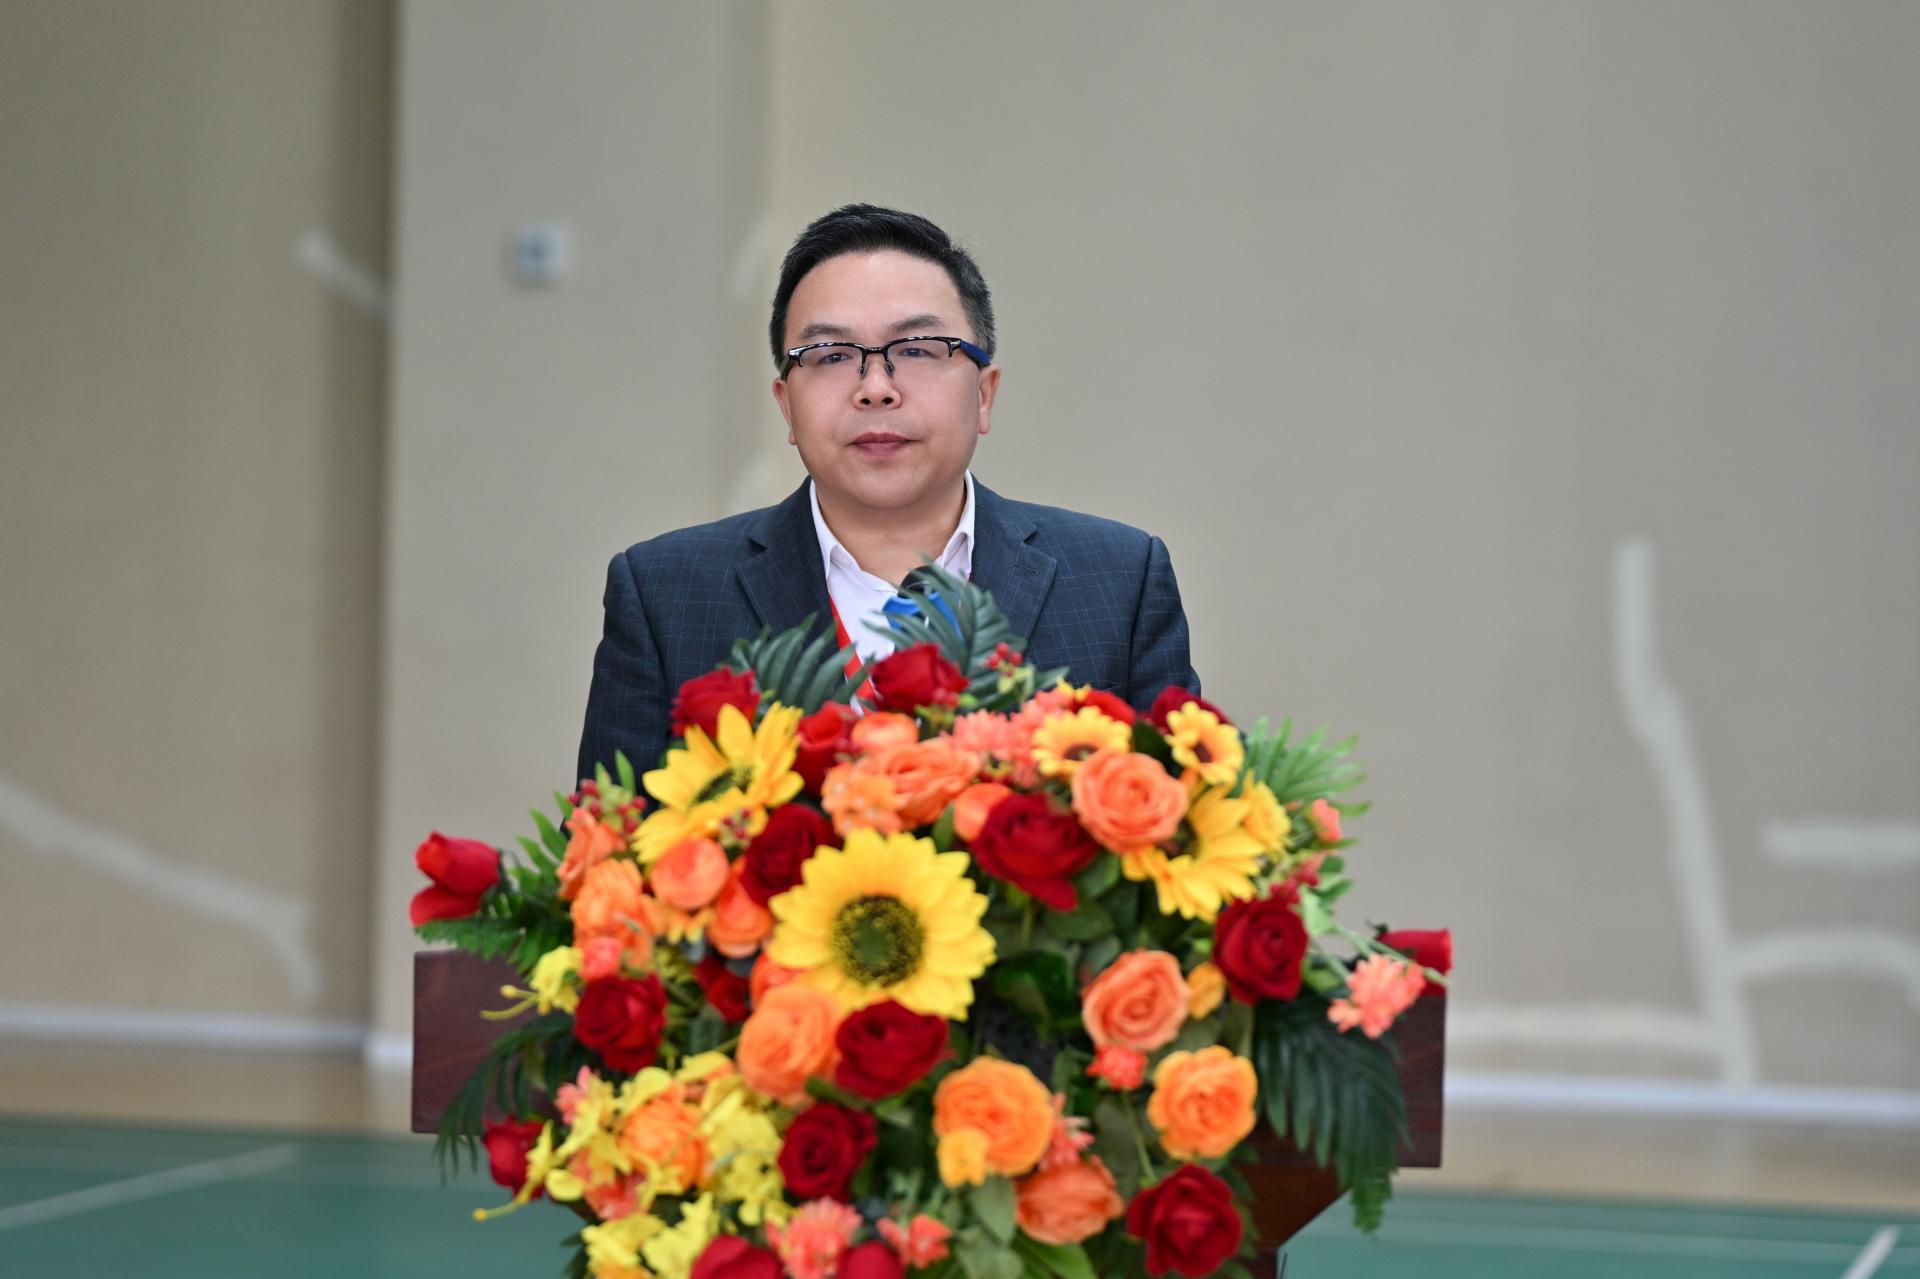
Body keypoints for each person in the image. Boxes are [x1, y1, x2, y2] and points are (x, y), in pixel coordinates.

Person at [576, 204, 1198, 785]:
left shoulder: (1119, 580)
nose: (876, 387)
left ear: (984, 395)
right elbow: (609, 848)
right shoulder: (665, 593)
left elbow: (1183, 828)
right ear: (786, 406)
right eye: (830, 355)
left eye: (918, 349)